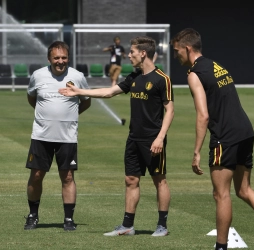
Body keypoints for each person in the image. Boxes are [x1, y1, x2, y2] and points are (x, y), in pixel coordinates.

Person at [169, 28, 254, 250]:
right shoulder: (216, 65)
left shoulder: (195, 75)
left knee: (220, 194)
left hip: (225, 136)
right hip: (245, 131)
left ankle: (221, 247)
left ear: (187, 48)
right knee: (244, 190)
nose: (175, 55)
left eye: (176, 51)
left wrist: (196, 151)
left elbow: (203, 115)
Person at [59, 36, 174, 237]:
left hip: (153, 139)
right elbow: (109, 92)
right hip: (133, 138)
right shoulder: (134, 77)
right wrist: (78, 91)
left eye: (132, 52)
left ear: (143, 53)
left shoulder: (162, 79)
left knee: (159, 180)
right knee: (131, 179)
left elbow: (170, 110)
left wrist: (159, 138)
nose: (128, 55)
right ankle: (127, 226)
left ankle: (162, 226)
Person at [24, 41, 91, 231]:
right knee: (36, 176)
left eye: (64, 57)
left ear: (68, 58)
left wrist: (69, 116)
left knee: (68, 177)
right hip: (41, 136)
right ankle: (32, 215)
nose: (60, 61)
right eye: (56, 58)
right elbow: (32, 98)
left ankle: (68, 219)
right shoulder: (38, 75)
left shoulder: (77, 77)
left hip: (67, 137)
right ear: (49, 59)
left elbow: (86, 101)